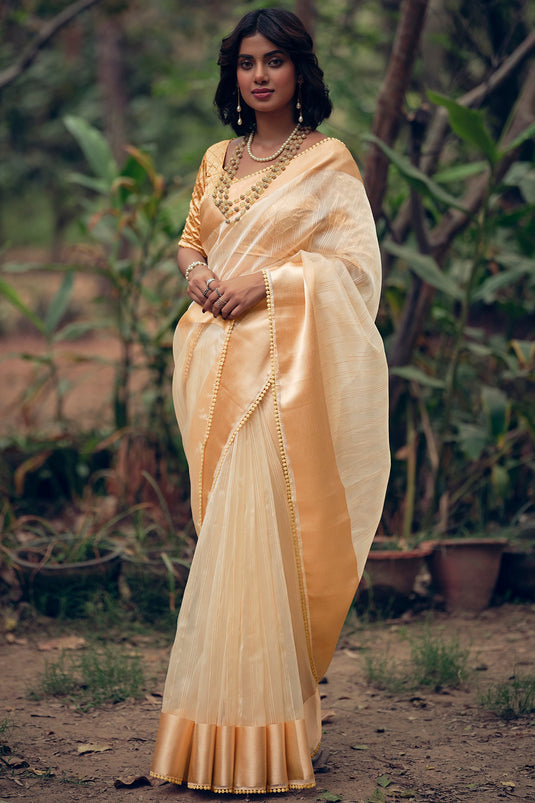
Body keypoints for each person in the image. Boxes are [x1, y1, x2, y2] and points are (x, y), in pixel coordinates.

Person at [151, 7, 390, 795]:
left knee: (262, 548)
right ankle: (210, 731)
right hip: (210, 361)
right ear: (234, 73)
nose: (259, 74)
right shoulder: (216, 157)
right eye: (247, 61)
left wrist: (272, 282)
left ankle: (274, 731)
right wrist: (199, 275)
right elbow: (191, 239)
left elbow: (353, 270)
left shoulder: (327, 162)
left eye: (274, 61)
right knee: (222, 548)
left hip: (277, 375)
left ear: (299, 72)